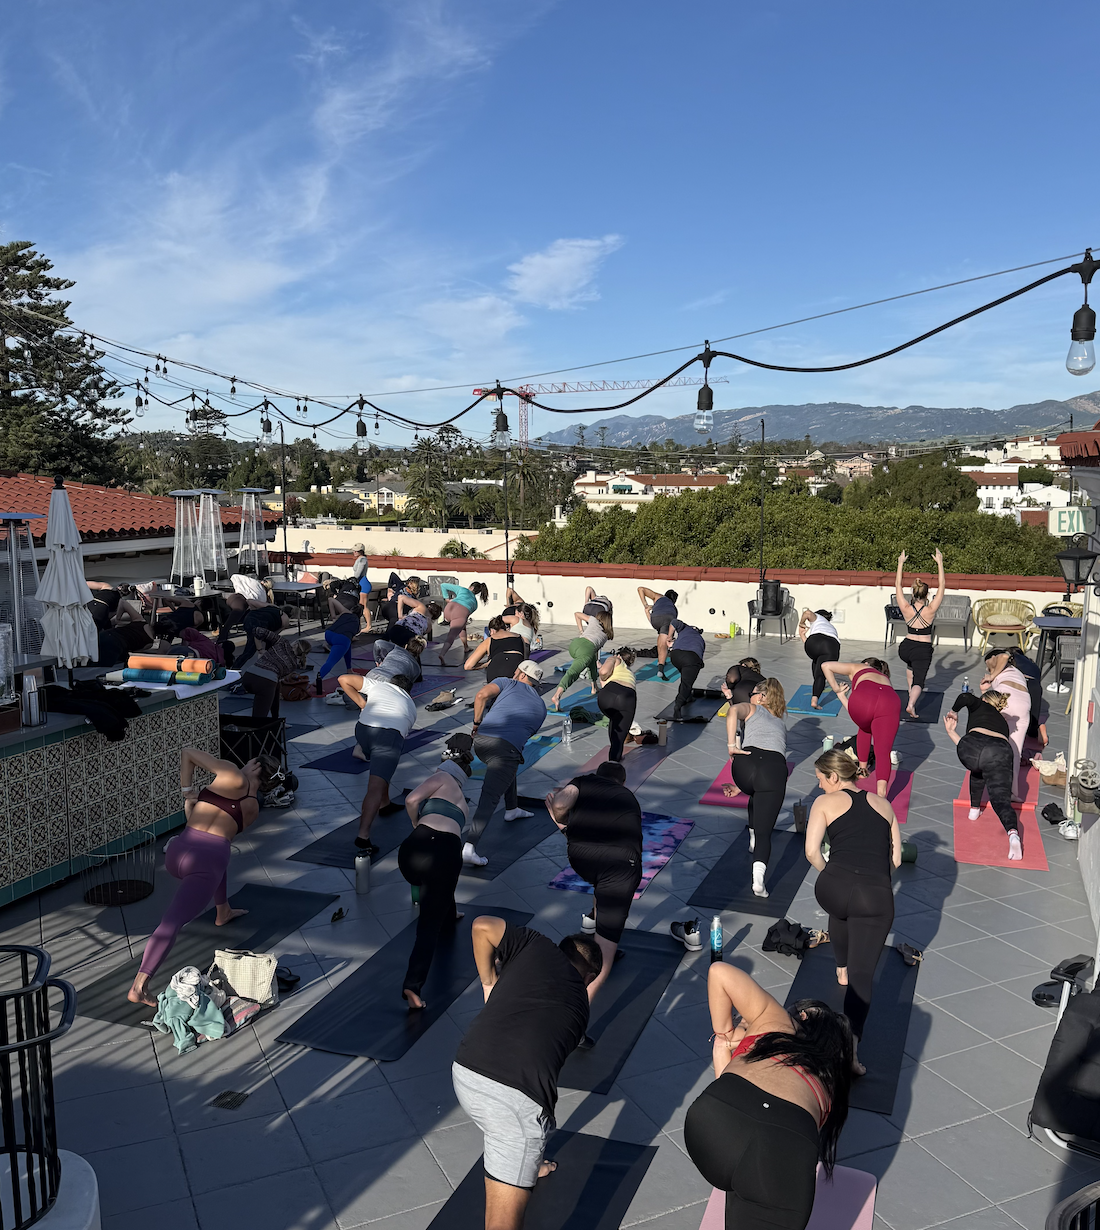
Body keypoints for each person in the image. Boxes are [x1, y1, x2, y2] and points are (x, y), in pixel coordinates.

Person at [452, 918, 601, 1230]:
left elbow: (480, 926)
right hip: (509, 1100)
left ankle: (527, 1164)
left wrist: (489, 983)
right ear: (588, 978)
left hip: (465, 1070)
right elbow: (538, 1083)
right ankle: (522, 1160)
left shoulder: (533, 944)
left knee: (522, 1121)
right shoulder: (579, 1011)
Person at [683, 962, 853, 1230]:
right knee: (757, 1175)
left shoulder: (775, 1020)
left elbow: (719, 971)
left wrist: (724, 1034)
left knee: (747, 1170)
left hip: (711, 1125)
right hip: (774, 1145)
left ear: (803, 1016)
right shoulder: (829, 1078)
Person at [127, 747, 280, 1007]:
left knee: (217, 860)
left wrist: (188, 793)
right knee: (172, 922)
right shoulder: (253, 807)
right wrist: (196, 802)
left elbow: (187, 753)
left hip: (177, 853)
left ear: (254, 765)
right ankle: (139, 987)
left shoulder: (231, 772)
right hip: (205, 863)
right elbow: (221, 833)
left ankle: (223, 911)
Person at [805, 749, 902, 1074]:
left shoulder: (824, 804)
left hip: (833, 889)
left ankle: (841, 968)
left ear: (834, 777)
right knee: (865, 976)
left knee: (843, 907)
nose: (819, 787)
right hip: (875, 898)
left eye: (820, 780)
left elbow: (811, 852)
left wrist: (831, 872)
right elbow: (897, 860)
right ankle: (853, 1051)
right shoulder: (885, 805)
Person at [545, 761, 642, 1003]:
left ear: (597, 775)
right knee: (603, 958)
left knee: (602, 886)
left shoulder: (583, 781)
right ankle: (573, 1022)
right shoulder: (627, 795)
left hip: (581, 858)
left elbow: (560, 803)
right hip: (620, 866)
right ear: (622, 781)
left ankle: (598, 923)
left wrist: (562, 822)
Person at [397, 734, 474, 1009]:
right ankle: (412, 988)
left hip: (411, 854)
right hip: (442, 857)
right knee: (429, 925)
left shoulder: (442, 778)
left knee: (432, 882)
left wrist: (417, 824)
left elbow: (411, 800)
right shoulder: (464, 807)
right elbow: (447, 873)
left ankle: (438, 904)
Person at [464, 660, 548, 867]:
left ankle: (512, 809)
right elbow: (526, 733)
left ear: (520, 674)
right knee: (490, 796)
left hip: (482, 742)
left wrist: (476, 724)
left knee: (506, 767)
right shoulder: (542, 707)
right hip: (506, 749)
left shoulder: (507, 683)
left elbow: (482, 695)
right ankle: (469, 846)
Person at [337, 670, 418, 858]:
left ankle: (385, 803)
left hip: (363, 730)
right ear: (408, 691)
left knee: (382, 769)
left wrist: (362, 703)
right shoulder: (411, 705)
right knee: (376, 783)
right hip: (388, 736)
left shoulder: (378, 685)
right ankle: (363, 836)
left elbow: (343, 679)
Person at [722, 678, 788, 899]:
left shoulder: (752, 708)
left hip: (744, 766)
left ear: (762, 697)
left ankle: (751, 836)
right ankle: (758, 882)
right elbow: (766, 762)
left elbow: (732, 713)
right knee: (765, 832)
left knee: (756, 793)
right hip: (773, 770)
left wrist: (732, 747)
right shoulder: (780, 723)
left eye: (752, 693)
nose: (750, 696)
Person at [945, 690, 1023, 860]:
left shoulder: (980, 704)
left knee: (977, 767)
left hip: (972, 748)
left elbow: (964, 697)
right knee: (1001, 800)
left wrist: (953, 712)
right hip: (999, 750)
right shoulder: (1002, 722)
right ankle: (1013, 834)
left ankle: (974, 810)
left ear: (985, 699)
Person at [822, 658, 900, 797]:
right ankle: (881, 795)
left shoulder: (858, 667)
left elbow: (826, 665)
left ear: (866, 664)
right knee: (883, 751)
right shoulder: (885, 678)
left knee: (864, 726)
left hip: (864, 700)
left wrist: (837, 690)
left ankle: (862, 769)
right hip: (890, 700)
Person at [894, 548, 946, 719]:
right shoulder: (931, 609)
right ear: (927, 594)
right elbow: (942, 585)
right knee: (919, 681)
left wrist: (900, 563)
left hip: (905, 648)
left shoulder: (906, 607)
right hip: (922, 649)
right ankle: (910, 705)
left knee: (910, 668)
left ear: (913, 593)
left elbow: (897, 585)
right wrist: (940, 563)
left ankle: (911, 697)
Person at [980, 646, 1031, 799]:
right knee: (1015, 752)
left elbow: (1004, 655)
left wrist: (991, 676)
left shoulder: (999, 662)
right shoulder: (1017, 673)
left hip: (1006, 698)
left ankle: (992, 780)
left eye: (987, 662)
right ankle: (1013, 792)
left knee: (992, 741)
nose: (987, 666)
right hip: (1023, 703)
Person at [547, 609, 612, 711]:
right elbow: (592, 649)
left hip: (575, 644)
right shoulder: (605, 636)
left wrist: (581, 631)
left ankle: (594, 688)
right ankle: (557, 696)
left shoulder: (594, 621)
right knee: (573, 672)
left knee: (592, 662)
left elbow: (577, 614)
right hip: (586, 650)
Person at [241, 628, 311, 720]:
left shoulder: (283, 642)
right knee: (259, 719)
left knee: (276, 687)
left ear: (295, 644)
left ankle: (275, 719)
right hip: (265, 684)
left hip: (248, 676)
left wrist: (260, 649)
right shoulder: (293, 665)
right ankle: (274, 719)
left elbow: (259, 631)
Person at [316, 590, 362, 694]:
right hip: (341, 639)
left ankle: (349, 669)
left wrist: (333, 617)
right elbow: (354, 634)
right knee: (331, 661)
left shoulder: (345, 612)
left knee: (348, 644)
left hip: (329, 634)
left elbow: (331, 600)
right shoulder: (358, 624)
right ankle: (319, 679)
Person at [596, 647, 637, 762]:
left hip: (606, 696)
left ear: (619, 655)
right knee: (618, 741)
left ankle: (614, 756)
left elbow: (603, 672)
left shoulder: (615, 658)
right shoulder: (630, 674)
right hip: (626, 698)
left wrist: (602, 676)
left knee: (614, 720)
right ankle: (614, 760)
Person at [798, 608, 841, 708]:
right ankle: (814, 700)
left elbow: (807, 613)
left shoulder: (818, 618)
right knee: (821, 675)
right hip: (830, 646)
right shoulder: (831, 627)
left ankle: (817, 686)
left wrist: (801, 623)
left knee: (816, 659)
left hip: (812, 644)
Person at [438, 581, 490, 663]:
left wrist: (447, 599)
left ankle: (466, 647)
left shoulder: (462, 589)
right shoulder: (475, 604)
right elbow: (464, 615)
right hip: (460, 613)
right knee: (452, 635)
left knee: (462, 627)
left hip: (448, 608)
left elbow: (443, 585)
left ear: (471, 587)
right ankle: (442, 654)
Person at [464, 616, 527, 683]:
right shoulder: (519, 637)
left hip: (496, 673)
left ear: (492, 630)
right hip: (515, 673)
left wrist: (485, 664)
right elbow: (525, 659)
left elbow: (468, 666)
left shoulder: (489, 640)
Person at [668, 617, 706, 719]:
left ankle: (688, 697)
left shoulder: (684, 628)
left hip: (675, 656)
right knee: (686, 683)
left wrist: (669, 637)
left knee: (685, 677)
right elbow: (699, 657)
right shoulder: (700, 639)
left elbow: (674, 622)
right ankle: (678, 706)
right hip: (691, 658)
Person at [637, 586, 678, 679]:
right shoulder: (673, 608)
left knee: (660, 640)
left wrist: (645, 605)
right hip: (669, 618)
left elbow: (640, 589)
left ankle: (661, 663)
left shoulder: (658, 597)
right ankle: (660, 669)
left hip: (655, 619)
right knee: (663, 645)